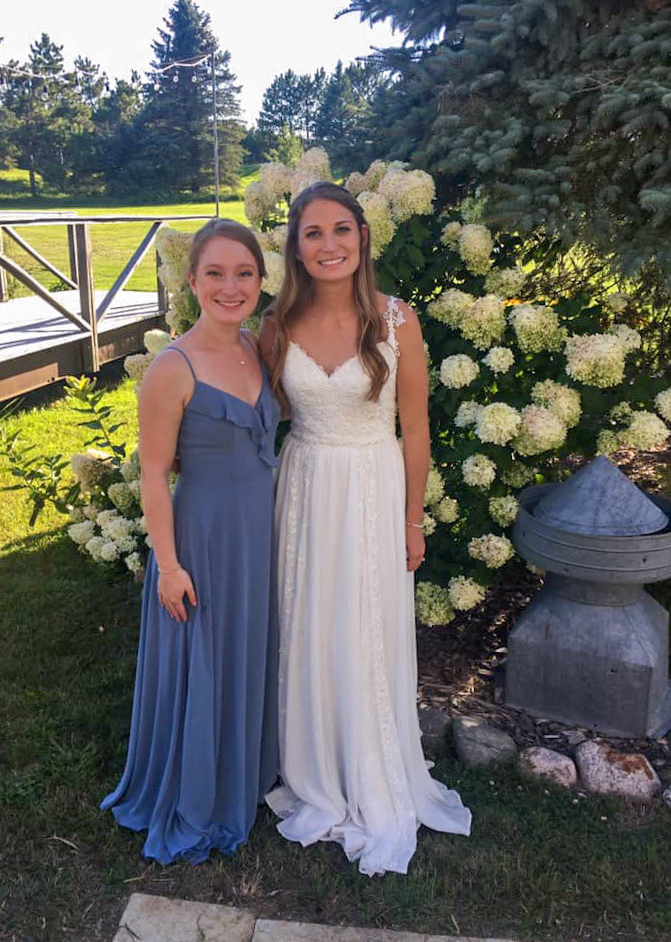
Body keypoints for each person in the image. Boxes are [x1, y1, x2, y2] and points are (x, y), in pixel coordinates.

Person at [259, 182, 471, 876]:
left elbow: (418, 430)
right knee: (307, 623)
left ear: (362, 237)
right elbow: (261, 416)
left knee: (363, 625)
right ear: (296, 248)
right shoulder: (276, 324)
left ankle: (370, 767)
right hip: (304, 486)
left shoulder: (396, 319)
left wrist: (413, 519)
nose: (329, 245)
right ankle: (313, 764)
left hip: (373, 488)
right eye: (313, 233)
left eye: (341, 230)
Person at [101, 219, 281, 864]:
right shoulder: (172, 367)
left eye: (244, 273)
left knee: (245, 648)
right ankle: (196, 793)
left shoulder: (258, 348)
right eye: (216, 273)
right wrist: (169, 567)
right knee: (204, 657)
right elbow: (153, 474)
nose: (231, 287)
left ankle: (241, 772)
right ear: (192, 281)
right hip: (201, 541)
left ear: (260, 280)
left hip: (258, 535)